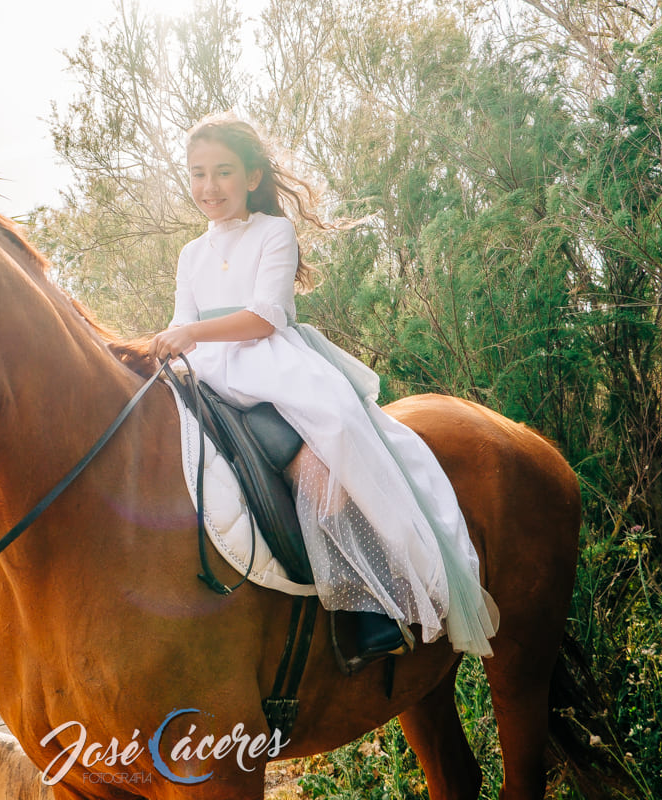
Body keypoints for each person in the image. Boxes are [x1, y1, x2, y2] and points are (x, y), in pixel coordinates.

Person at [149, 114, 499, 661]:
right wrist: (169, 343)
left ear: (252, 176)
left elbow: (265, 316)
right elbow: (180, 323)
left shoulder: (273, 232)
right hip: (209, 372)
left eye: (222, 172)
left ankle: (369, 604)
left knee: (326, 457)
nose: (208, 187)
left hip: (270, 365)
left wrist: (190, 332)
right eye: (197, 174)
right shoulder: (190, 254)